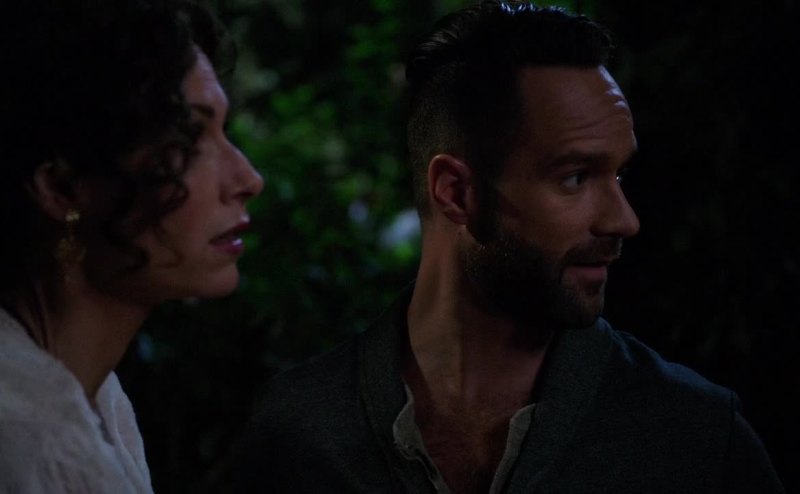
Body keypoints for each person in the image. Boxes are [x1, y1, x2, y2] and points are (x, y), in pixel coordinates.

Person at [236, 1, 783, 493]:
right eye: (576, 177)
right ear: (457, 192)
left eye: (619, 175)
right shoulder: (300, 434)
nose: (625, 220)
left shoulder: (695, 438)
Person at [0, 0, 263, 491]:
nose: (247, 179)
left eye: (221, 131)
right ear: (63, 188)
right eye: (189, 138)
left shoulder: (97, 400)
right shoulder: (33, 446)